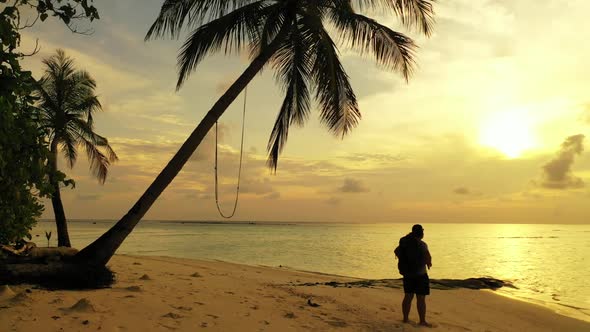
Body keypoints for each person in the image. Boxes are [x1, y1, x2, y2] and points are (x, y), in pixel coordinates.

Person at [394, 224, 432, 327]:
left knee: (408, 296)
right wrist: (428, 263)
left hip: (407, 274)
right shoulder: (422, 244)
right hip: (420, 275)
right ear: (421, 233)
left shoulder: (404, 242)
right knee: (420, 299)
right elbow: (428, 257)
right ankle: (422, 321)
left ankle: (405, 319)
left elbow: (396, 251)